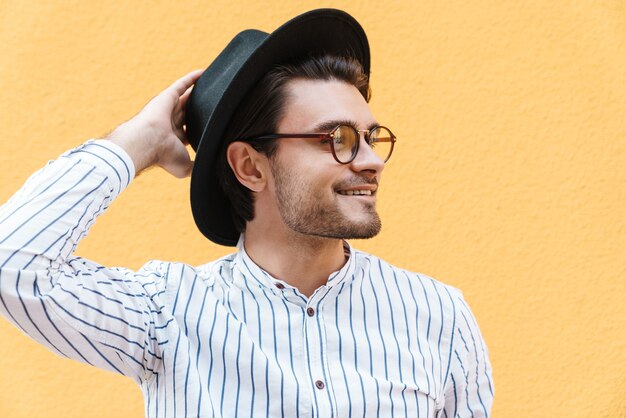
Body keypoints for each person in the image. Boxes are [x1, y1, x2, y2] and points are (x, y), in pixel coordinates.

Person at [0, 8, 493, 418]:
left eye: (371, 137)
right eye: (336, 139)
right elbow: (12, 267)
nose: (369, 161)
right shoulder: (168, 313)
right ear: (250, 166)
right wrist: (138, 141)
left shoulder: (438, 316)